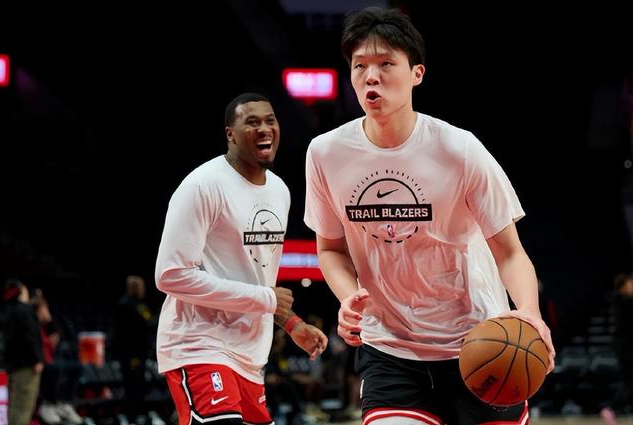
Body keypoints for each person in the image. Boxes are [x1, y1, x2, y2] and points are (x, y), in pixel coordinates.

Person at [303, 7, 556, 424]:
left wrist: (529, 312)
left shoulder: (460, 149)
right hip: (390, 349)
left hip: (478, 341)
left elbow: (510, 253)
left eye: (386, 64)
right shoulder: (325, 153)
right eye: (360, 66)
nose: (371, 76)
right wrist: (348, 296)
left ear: (417, 73)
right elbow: (330, 249)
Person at [155, 92, 328, 425]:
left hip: (249, 355)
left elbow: (259, 281)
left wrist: (292, 324)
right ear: (230, 134)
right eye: (252, 122)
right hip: (199, 344)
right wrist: (264, 298)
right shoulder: (203, 185)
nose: (264, 128)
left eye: (270, 120)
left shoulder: (279, 191)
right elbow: (170, 275)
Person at [32, 289, 84, 425]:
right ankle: (47, 405)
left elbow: (55, 336)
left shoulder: (46, 327)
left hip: (49, 361)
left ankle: (64, 404)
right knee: (54, 369)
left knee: (77, 367)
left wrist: (49, 321)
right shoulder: (32, 326)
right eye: (44, 309)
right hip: (38, 364)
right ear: (38, 311)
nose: (47, 312)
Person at [113, 274, 157, 421]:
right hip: (131, 354)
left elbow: (148, 321)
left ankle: (138, 414)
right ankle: (130, 417)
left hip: (140, 352)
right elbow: (141, 326)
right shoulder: (126, 305)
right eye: (140, 287)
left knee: (139, 384)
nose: (143, 290)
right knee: (132, 385)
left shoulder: (140, 305)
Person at [2, 279, 44, 425]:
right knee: (23, 408)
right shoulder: (24, 311)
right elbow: (30, 336)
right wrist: (37, 359)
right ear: (20, 292)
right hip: (26, 367)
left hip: (12, 367)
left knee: (14, 408)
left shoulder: (8, 311)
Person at [600, 272, 633, 425]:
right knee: (628, 382)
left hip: (624, 346)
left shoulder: (622, 301)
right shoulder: (624, 302)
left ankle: (612, 409)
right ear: (623, 286)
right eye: (630, 283)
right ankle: (610, 408)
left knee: (628, 381)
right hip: (626, 348)